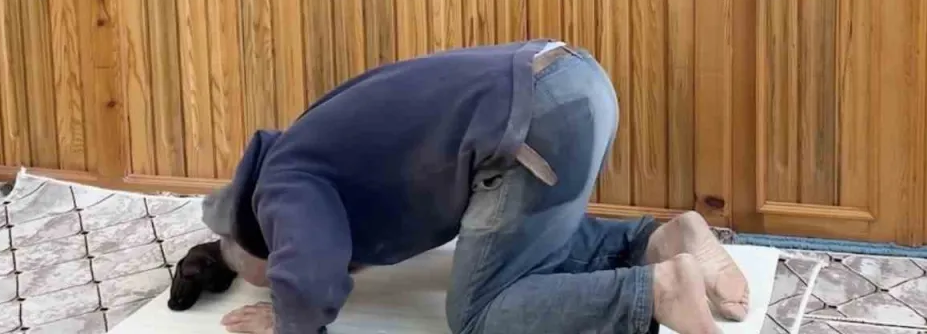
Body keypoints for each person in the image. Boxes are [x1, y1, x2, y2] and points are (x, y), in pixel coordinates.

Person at [201, 41, 747, 334]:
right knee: (521, 248)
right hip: (571, 78)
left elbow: (308, 274)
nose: (268, 283)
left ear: (260, 227)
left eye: (264, 275)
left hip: (529, 126)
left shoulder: (282, 182)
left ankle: (654, 290)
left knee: (478, 312)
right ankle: (659, 241)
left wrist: (288, 321)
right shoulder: (317, 136)